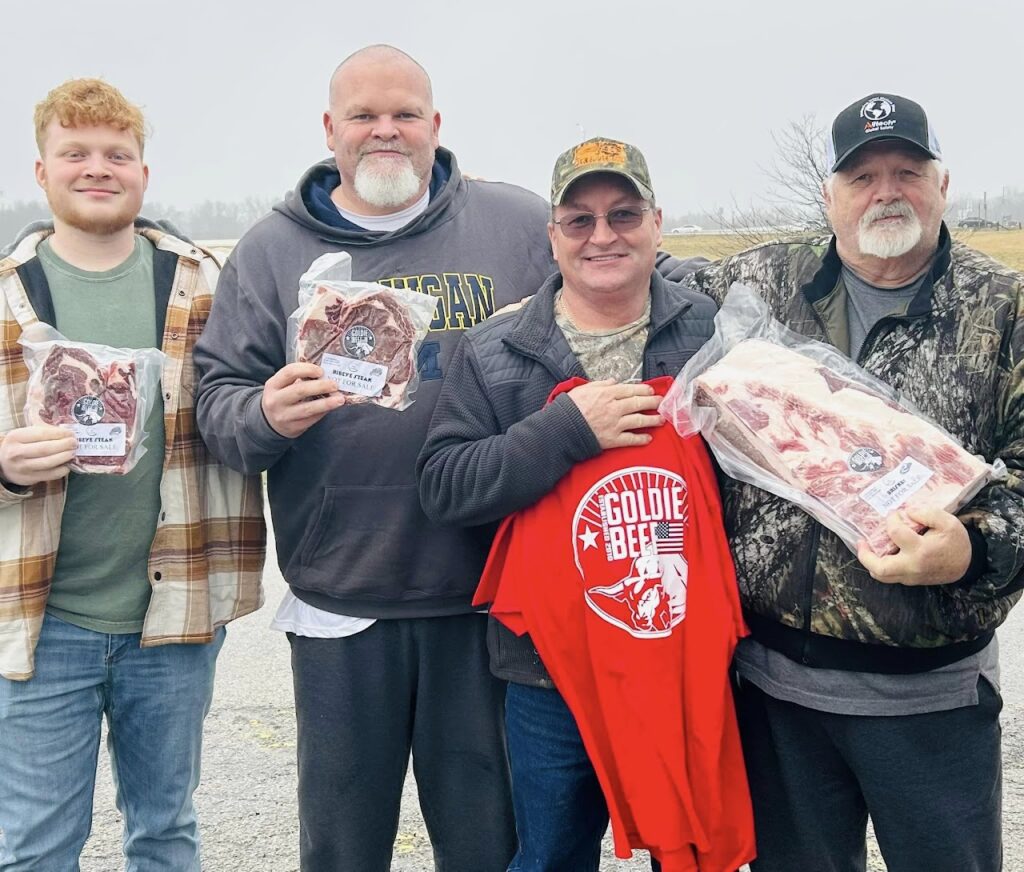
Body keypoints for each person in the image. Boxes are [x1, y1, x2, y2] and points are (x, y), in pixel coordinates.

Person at [192, 44, 556, 872]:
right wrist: (265, 414)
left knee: (489, 839)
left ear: (436, 125)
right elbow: (216, 405)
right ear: (331, 129)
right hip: (342, 599)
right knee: (344, 846)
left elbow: (612, 289)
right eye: (364, 115)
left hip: (486, 592)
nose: (384, 130)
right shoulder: (272, 250)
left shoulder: (513, 225)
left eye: (404, 114)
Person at [689, 92, 1024, 872]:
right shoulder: (759, 282)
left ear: (943, 185)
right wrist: (538, 304)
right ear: (830, 194)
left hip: (930, 699)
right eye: (863, 176)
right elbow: (635, 293)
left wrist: (972, 549)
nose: (886, 193)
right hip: (773, 695)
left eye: (907, 171)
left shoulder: (1004, 308)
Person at [418, 138, 748, 871]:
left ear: (657, 224)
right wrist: (562, 433)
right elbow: (444, 485)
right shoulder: (497, 348)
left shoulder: (710, 331)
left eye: (624, 215)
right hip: (550, 672)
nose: (603, 236)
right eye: (580, 220)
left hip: (683, 660)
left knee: (692, 850)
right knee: (551, 856)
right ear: (553, 235)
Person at [0, 78, 265, 871]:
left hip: (174, 611)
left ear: (143, 174)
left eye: (117, 155)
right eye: (75, 153)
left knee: (165, 830)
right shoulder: (5, 297)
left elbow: (250, 403)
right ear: (41, 171)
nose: (97, 168)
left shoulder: (204, 284)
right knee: (36, 846)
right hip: (43, 618)